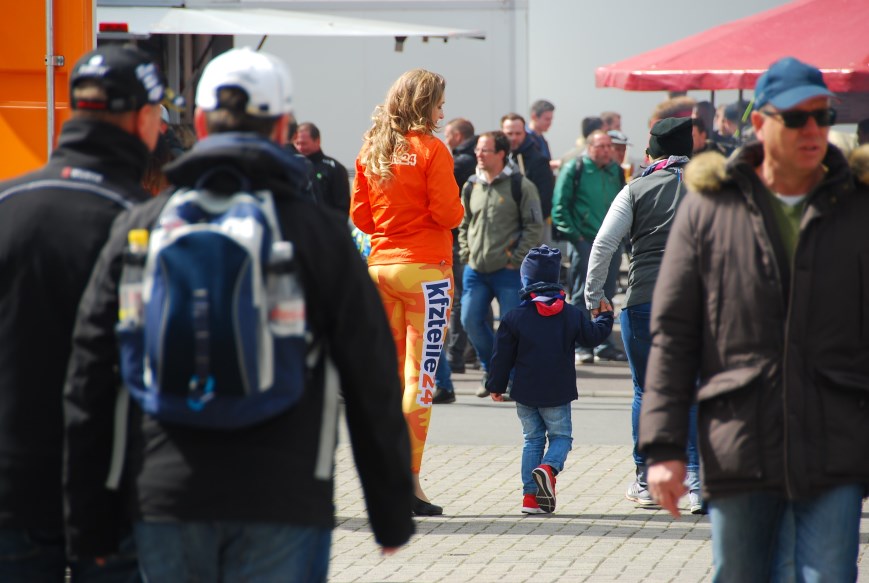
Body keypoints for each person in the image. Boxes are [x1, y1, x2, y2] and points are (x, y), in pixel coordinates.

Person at [64, 48, 414, 581]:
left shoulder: (143, 226)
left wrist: (88, 520)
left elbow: (89, 378)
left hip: (165, 496)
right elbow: (372, 377)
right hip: (285, 498)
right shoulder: (317, 234)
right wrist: (389, 513)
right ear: (281, 128)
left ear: (200, 123)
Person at [640, 56, 869, 581]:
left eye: (823, 115)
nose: (812, 129)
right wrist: (664, 448)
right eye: (795, 118)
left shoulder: (858, 207)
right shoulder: (711, 208)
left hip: (835, 442)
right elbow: (675, 333)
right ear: (761, 124)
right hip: (740, 440)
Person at [0, 44, 162, 580]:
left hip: (10, 496)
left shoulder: (6, 205)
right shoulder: (143, 227)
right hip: (115, 500)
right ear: (142, 119)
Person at [352, 68, 464, 516]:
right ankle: (409, 482)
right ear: (424, 104)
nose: (443, 110)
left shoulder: (372, 149)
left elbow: (361, 217)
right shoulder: (433, 149)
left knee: (389, 379)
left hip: (380, 269)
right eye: (440, 102)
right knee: (420, 381)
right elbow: (449, 213)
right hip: (427, 273)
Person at [585, 117, 703, 514]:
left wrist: (594, 295)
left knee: (646, 391)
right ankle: (698, 482)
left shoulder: (634, 188)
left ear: (651, 153)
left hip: (645, 300)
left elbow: (603, 244)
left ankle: (645, 479)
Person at [486, 245, 613, 514]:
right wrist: (605, 317)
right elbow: (592, 338)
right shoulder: (571, 314)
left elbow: (501, 357)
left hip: (525, 391)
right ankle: (549, 467)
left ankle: (530, 499)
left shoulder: (514, 317)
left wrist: (496, 386)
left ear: (526, 282)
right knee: (561, 437)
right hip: (558, 390)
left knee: (532, 440)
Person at [458, 131, 544, 398]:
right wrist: (465, 252)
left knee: (511, 328)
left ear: (501, 154)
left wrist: (515, 260)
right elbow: (464, 223)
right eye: (477, 151)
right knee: (469, 320)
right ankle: (492, 372)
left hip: (507, 272)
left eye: (485, 150)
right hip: (475, 269)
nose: (478, 155)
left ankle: (510, 379)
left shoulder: (521, 185)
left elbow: (534, 226)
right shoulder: (471, 184)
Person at [552, 130, 627, 364]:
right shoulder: (575, 168)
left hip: (612, 242)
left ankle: (603, 344)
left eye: (609, 146)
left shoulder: (615, 170)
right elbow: (559, 208)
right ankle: (581, 345)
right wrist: (577, 238)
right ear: (590, 147)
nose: (607, 150)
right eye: (601, 146)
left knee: (609, 292)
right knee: (581, 293)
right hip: (585, 241)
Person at [441, 117, 478, 380]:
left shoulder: (459, 162)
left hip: (455, 237)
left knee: (457, 300)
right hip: (473, 239)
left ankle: (455, 355)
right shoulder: (477, 158)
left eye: (447, 134)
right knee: (472, 300)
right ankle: (471, 353)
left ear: (457, 135)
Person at [501, 113, 555, 226]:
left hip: (531, 228)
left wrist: (528, 226)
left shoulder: (538, 161)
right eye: (509, 133)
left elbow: (544, 201)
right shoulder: (498, 158)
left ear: (524, 133)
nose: (513, 138)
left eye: (518, 133)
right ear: (502, 133)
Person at [294, 121, 351, 214]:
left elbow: (342, 207)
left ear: (317, 141)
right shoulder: (291, 167)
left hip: (327, 225)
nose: (300, 147)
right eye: (297, 143)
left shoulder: (334, 168)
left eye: (304, 143)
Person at [527, 99, 555, 164]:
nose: (550, 123)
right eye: (547, 119)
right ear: (534, 117)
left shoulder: (541, 138)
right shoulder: (525, 139)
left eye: (551, 119)